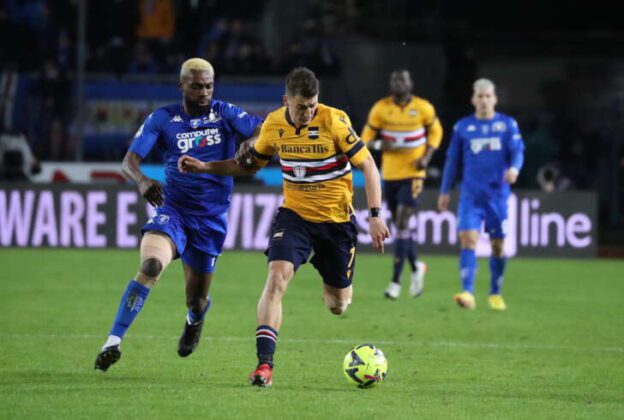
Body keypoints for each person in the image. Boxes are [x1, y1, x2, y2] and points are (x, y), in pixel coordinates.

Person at [178, 67, 390, 387]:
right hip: (294, 217)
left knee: (337, 305)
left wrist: (374, 215)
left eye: (312, 105)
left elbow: (369, 166)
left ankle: (332, 282)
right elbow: (247, 165)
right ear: (286, 101)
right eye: (301, 106)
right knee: (276, 278)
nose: (308, 112)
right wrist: (205, 166)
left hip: (336, 224)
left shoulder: (334, 121)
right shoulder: (274, 124)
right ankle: (264, 365)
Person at [94, 58, 262, 371]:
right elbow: (129, 160)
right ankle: (113, 341)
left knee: (196, 300)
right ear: (181, 86)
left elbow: (263, 130)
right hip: (174, 211)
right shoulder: (163, 118)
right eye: (196, 86)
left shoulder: (225, 113)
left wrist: (253, 141)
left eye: (209, 86)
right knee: (151, 265)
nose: (204, 92)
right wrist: (142, 180)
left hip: (210, 220)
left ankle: (195, 319)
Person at [438, 78, 525, 311]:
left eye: (488, 96)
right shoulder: (463, 127)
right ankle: (467, 292)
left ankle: (495, 293)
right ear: (473, 99)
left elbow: (518, 152)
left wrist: (514, 169)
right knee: (468, 239)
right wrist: (445, 190)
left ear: (495, 99)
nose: (484, 100)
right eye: (480, 96)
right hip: (471, 196)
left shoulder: (507, 125)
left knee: (498, 246)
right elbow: (452, 161)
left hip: (497, 197)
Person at [360, 70, 443, 299]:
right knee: (400, 226)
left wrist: (426, 157)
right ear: (390, 84)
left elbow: (436, 131)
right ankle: (416, 267)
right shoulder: (380, 108)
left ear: (410, 83)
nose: (398, 83)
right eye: (395, 79)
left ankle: (395, 282)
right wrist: (379, 145)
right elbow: (364, 138)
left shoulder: (423, 107)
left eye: (402, 79)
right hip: (390, 174)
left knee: (403, 220)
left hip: (414, 173)